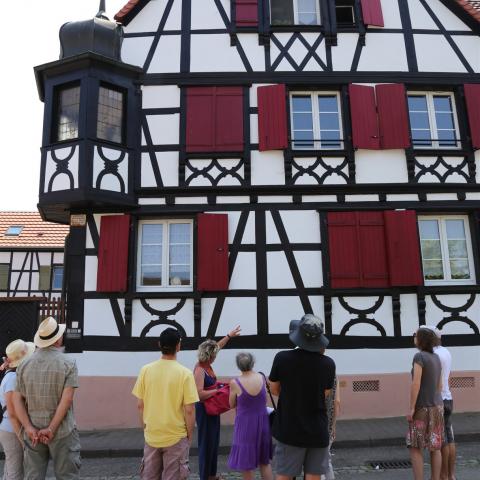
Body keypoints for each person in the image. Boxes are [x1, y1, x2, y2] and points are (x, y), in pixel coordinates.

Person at [269, 314, 335, 480]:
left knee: (284, 475)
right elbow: (325, 394)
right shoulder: (328, 364)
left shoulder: (282, 358)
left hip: (290, 427)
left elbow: (274, 390)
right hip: (317, 429)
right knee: (314, 476)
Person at [13, 316, 80, 480]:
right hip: (63, 430)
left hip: (33, 430)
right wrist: (51, 428)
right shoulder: (68, 363)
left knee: (33, 476)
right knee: (67, 476)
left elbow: (17, 400)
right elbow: (67, 400)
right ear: (58, 339)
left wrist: (28, 427)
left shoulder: (23, 365)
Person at [132, 327, 199, 480]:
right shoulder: (185, 374)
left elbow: (139, 405)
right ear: (178, 346)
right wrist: (189, 436)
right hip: (176, 435)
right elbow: (189, 410)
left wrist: (145, 428)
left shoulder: (145, 370)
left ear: (159, 345)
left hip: (152, 434)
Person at [194, 326, 241, 480]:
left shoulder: (207, 363)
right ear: (209, 356)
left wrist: (229, 335)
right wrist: (218, 391)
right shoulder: (200, 370)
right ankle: (204, 476)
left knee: (214, 442)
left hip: (213, 409)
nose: (216, 357)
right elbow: (199, 394)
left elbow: (217, 346)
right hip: (204, 410)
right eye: (214, 355)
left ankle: (211, 475)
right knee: (206, 443)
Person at [228, 352, 273, 480]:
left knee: (246, 464)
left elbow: (231, 404)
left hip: (245, 425)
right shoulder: (262, 378)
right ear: (253, 363)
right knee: (264, 462)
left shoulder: (235, 382)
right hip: (263, 422)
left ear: (238, 365)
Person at [407, 326, 444, 480]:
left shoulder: (419, 357)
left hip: (422, 407)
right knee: (435, 447)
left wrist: (411, 408)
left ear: (421, 340)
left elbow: (416, 384)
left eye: (415, 335)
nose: (414, 337)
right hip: (437, 406)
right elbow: (440, 385)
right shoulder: (436, 357)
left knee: (415, 447)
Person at [0, 340, 35, 479]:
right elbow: (12, 412)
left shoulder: (12, 376)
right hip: (12, 429)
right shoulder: (13, 378)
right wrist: (22, 439)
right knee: (15, 472)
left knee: (10, 469)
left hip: (9, 428)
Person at [426, 326, 456, 480]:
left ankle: (443, 475)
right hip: (448, 397)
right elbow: (448, 376)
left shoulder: (434, 355)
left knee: (442, 441)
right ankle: (451, 475)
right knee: (449, 438)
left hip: (438, 399)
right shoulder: (446, 351)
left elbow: (434, 381)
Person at [324, 374, 340, 480]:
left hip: (314, 426)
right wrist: (333, 425)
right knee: (326, 461)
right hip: (328, 425)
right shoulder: (333, 375)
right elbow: (337, 402)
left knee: (317, 464)